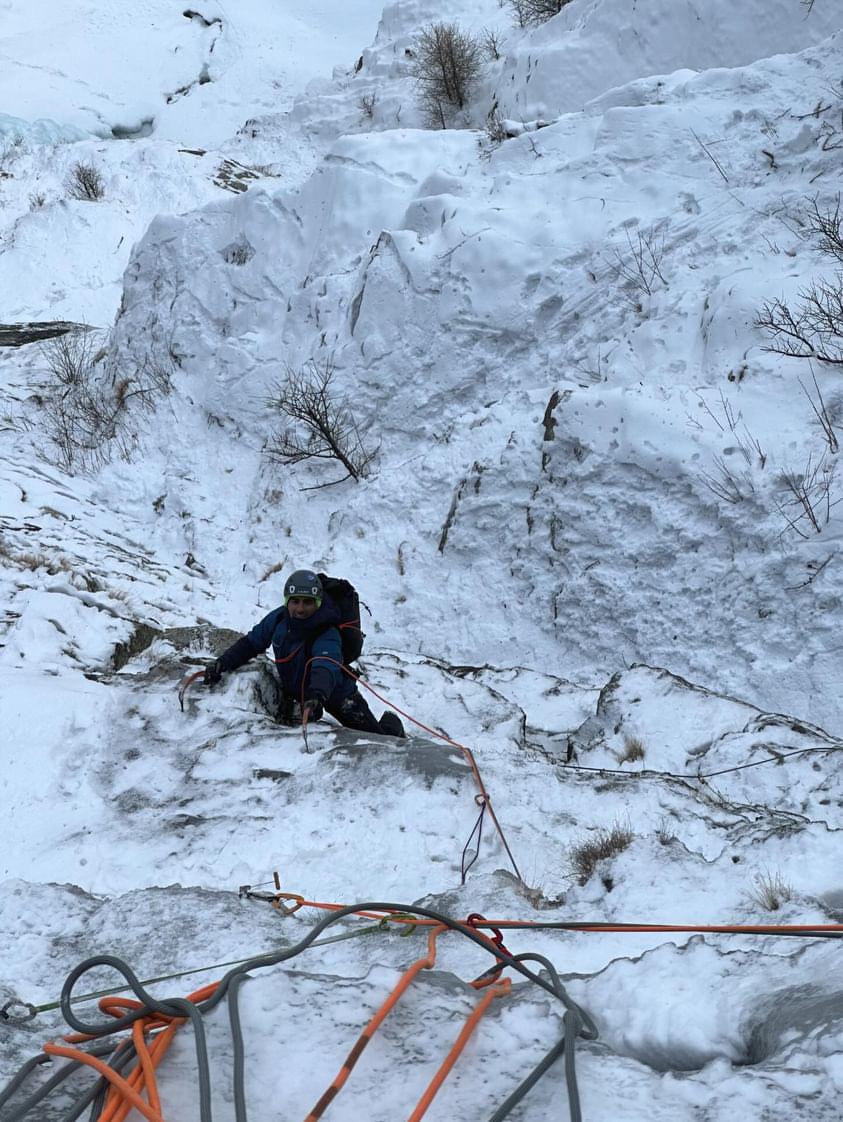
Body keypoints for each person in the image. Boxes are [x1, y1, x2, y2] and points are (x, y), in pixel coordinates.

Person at [204, 569, 405, 737]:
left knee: (377, 739)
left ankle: (392, 728)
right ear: (287, 601)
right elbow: (251, 643)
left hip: (336, 693)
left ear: (317, 603)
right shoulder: (278, 619)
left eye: (307, 602)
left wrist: (316, 694)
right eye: (295, 601)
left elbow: (325, 665)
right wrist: (222, 663)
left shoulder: (327, 631)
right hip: (301, 692)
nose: (300, 608)